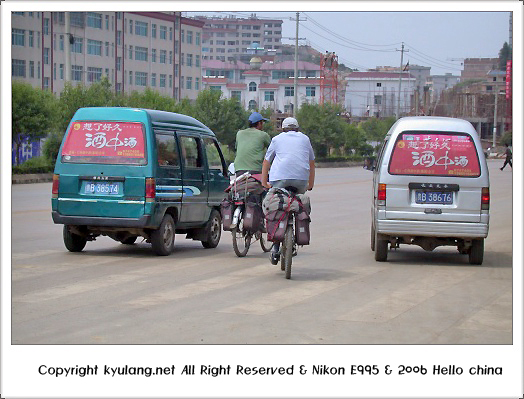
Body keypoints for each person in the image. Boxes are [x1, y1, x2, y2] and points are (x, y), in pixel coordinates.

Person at [261, 117, 315, 264]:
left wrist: (264, 181)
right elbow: (311, 162)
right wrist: (310, 184)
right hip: (301, 181)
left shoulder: (277, 139)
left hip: (279, 179)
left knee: (270, 202)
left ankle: (275, 246)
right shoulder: (305, 139)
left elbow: (267, 161)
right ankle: (297, 236)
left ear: (282, 128)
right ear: (297, 128)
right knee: (297, 203)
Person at [233, 112, 271, 176]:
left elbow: (237, 148)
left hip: (239, 169)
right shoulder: (263, 135)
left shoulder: (239, 133)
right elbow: (272, 150)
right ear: (259, 123)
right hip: (256, 169)